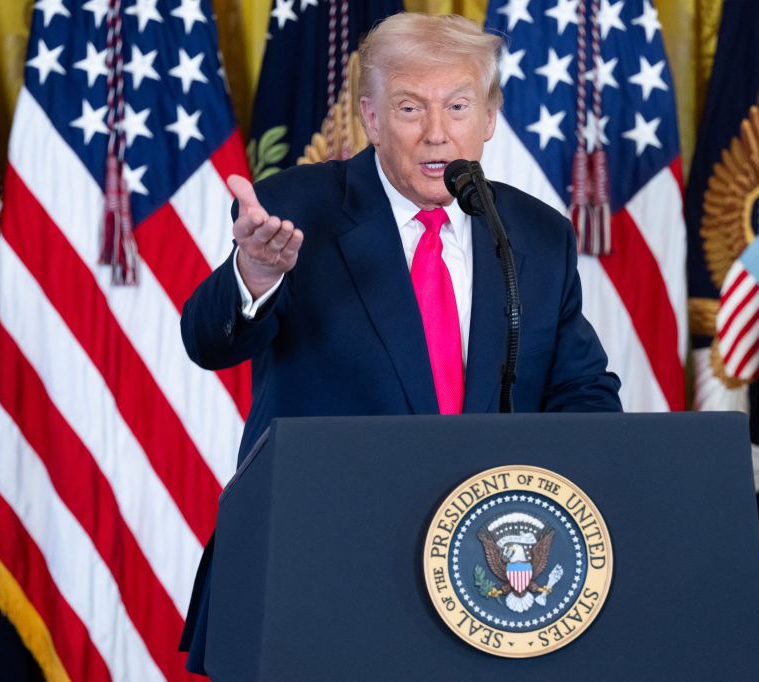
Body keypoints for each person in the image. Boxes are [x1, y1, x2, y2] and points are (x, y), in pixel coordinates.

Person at [179, 13, 621, 674]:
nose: (437, 132)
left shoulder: (534, 235)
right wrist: (254, 275)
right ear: (373, 117)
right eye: (411, 107)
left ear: (491, 116)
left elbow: (582, 392)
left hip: (480, 586)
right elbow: (208, 341)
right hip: (316, 576)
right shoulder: (294, 211)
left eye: (458, 106)